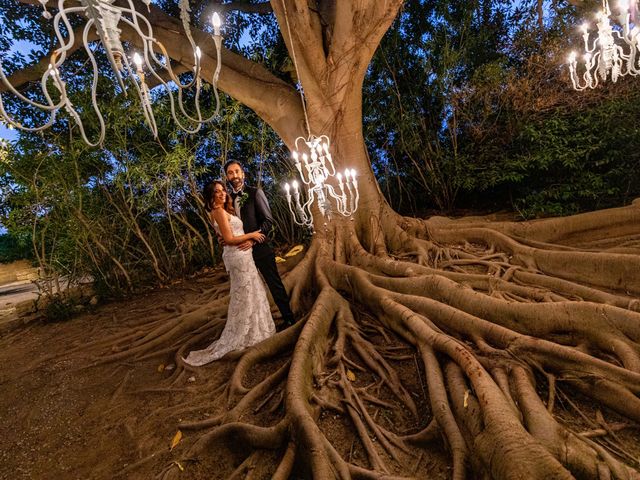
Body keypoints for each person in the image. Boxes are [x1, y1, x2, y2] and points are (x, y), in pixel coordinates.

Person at [183, 180, 276, 366]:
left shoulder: (224, 211)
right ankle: (246, 334)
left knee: (250, 291)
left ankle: (256, 329)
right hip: (238, 256)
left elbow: (225, 236)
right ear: (210, 196)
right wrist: (252, 235)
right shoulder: (217, 211)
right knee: (245, 292)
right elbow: (229, 238)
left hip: (242, 255)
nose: (222, 193)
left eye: (223, 190)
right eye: (217, 192)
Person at [224, 160, 295, 328]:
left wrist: (252, 239)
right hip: (240, 254)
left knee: (274, 284)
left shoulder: (256, 193)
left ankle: (289, 318)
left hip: (261, 249)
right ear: (227, 177)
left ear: (243, 174)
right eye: (230, 173)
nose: (234, 175)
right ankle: (255, 325)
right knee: (248, 289)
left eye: (236, 171)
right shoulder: (227, 200)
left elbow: (268, 221)